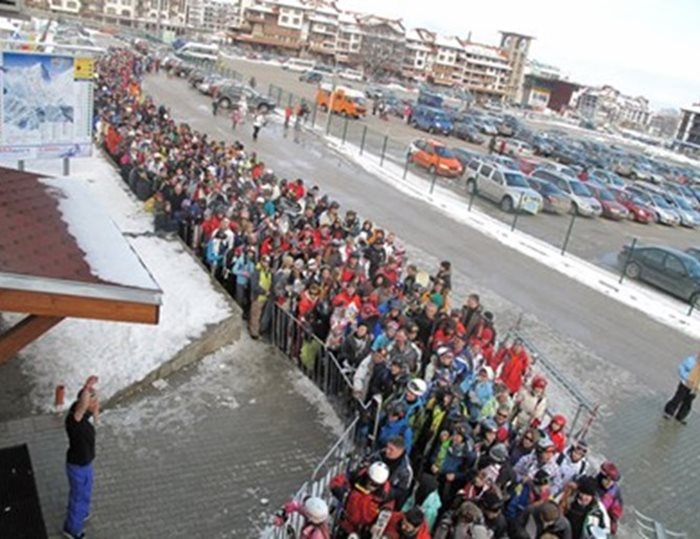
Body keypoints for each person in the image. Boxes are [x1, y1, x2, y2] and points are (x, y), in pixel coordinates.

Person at [63, 375, 100, 539]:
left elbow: (92, 411)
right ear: (83, 403)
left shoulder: (84, 414)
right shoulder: (74, 419)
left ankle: (82, 513)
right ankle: (72, 530)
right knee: (77, 498)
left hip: (86, 464)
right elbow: (84, 403)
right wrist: (87, 387)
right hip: (77, 466)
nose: (95, 402)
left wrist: (95, 402)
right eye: (92, 400)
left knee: (86, 491)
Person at [663, 351, 700, 424]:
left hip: (695, 387)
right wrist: (686, 377)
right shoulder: (691, 360)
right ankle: (668, 412)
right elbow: (681, 367)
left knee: (688, 402)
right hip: (685, 383)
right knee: (678, 398)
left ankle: (680, 417)